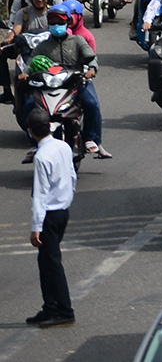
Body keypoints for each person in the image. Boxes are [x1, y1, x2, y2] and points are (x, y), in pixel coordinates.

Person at [26, 108, 75, 328]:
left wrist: (36, 227)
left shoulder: (41, 157)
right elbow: (72, 176)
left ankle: (64, 310)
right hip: (62, 210)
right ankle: (50, 307)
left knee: (52, 263)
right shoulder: (63, 146)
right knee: (45, 261)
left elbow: (40, 194)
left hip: (49, 215)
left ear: (31, 132)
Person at [38, 12, 105, 160]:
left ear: (67, 24)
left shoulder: (78, 41)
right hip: (52, 85)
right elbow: (32, 61)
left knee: (91, 104)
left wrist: (92, 69)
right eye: (53, 23)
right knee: (31, 106)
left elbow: (91, 57)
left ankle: (89, 137)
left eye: (60, 23)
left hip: (77, 82)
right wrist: (25, 72)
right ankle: (34, 143)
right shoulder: (44, 46)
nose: (56, 26)